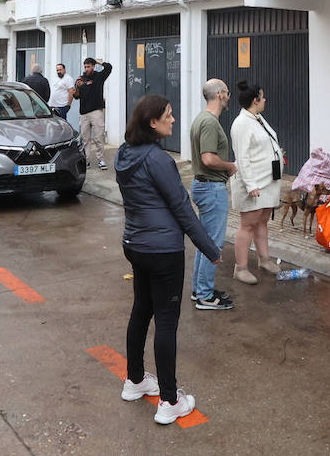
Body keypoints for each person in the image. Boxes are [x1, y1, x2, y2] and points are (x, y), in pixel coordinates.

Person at [115, 94, 221, 425]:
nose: (173, 120)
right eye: (168, 115)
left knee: (142, 309)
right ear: (153, 123)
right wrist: (211, 248)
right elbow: (182, 209)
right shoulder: (158, 160)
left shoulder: (124, 154)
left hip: (135, 244)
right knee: (166, 322)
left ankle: (134, 381)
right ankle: (170, 400)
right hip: (162, 251)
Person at [188, 79, 237, 310]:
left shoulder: (202, 119)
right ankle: (205, 296)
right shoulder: (208, 122)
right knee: (214, 245)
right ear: (219, 94)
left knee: (205, 243)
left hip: (204, 186)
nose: (229, 96)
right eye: (226, 92)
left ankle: (200, 290)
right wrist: (230, 166)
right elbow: (208, 158)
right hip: (211, 188)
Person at [228, 82, 283, 285]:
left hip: (267, 182)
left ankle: (264, 259)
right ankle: (240, 268)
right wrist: (251, 185)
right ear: (255, 100)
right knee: (248, 225)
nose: (265, 99)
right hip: (253, 184)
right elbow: (242, 158)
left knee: (262, 221)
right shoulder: (241, 123)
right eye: (263, 96)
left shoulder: (257, 118)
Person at [72, 57, 113, 170]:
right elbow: (76, 97)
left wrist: (99, 61)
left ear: (93, 67)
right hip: (84, 113)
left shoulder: (99, 76)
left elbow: (109, 67)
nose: (86, 69)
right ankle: (86, 160)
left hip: (96, 111)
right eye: (85, 67)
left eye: (88, 66)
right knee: (85, 139)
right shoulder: (80, 79)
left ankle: (101, 160)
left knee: (99, 137)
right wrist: (76, 89)